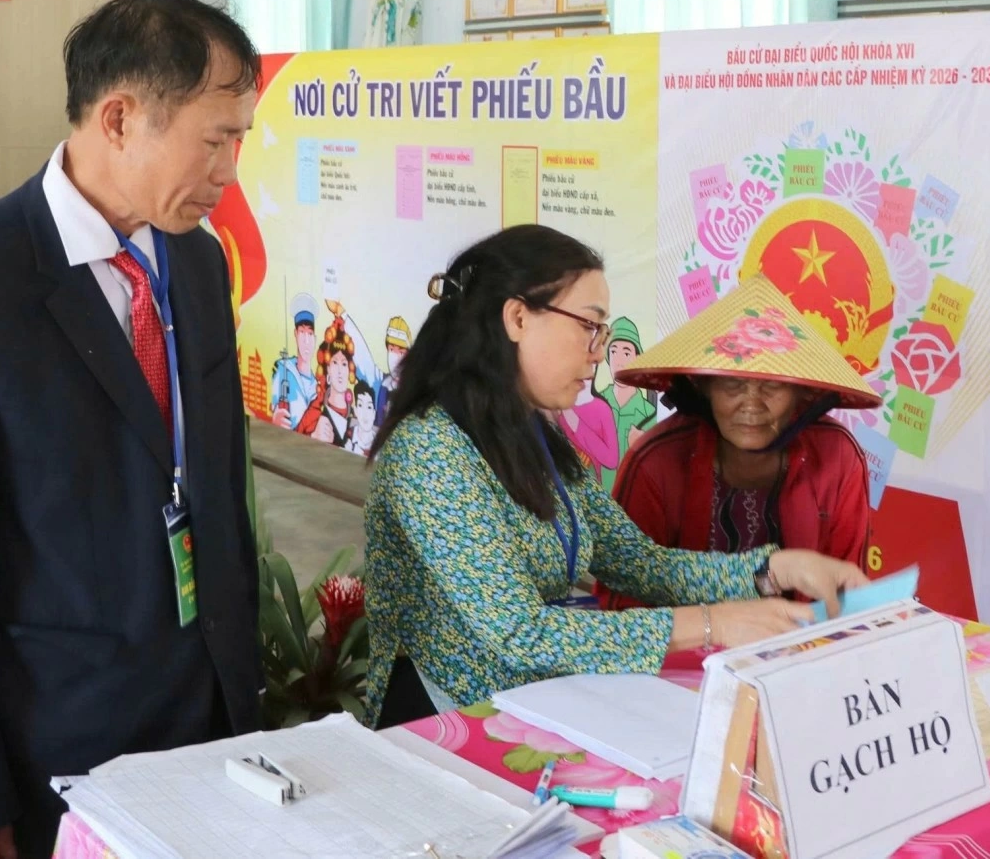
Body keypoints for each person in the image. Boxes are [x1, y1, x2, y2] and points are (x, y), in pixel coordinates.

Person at [0, 0, 263, 859]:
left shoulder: (192, 260)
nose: (231, 170)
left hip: (210, 712)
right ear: (120, 118)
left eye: (240, 141)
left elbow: (215, 482)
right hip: (56, 738)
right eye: (215, 140)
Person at [362, 225, 868, 725]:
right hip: (444, 717)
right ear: (517, 317)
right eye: (589, 325)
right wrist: (714, 623)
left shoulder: (534, 435)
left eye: (603, 331)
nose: (599, 350)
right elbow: (520, 632)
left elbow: (641, 563)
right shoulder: (431, 449)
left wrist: (775, 569)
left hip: (534, 702)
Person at [605, 275, 877, 589]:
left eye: (772, 384)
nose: (751, 404)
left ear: (802, 394)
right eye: (732, 383)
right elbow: (621, 599)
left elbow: (846, 595)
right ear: (704, 387)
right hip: (684, 636)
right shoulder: (654, 462)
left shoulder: (838, 456)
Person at [595, 316, 657, 491]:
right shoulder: (594, 407)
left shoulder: (650, 415)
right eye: (613, 351)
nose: (619, 360)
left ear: (638, 357)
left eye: (627, 352)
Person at [296, 312, 357, 446]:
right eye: (335, 363)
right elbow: (293, 443)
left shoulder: (355, 416)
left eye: (344, 364)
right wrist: (313, 436)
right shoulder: (316, 409)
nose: (340, 371)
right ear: (327, 370)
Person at [269, 294, 319, 428]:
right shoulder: (283, 369)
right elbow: (272, 405)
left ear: (315, 338)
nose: (306, 341)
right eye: (302, 332)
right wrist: (275, 418)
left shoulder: (318, 386)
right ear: (295, 334)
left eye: (309, 333)